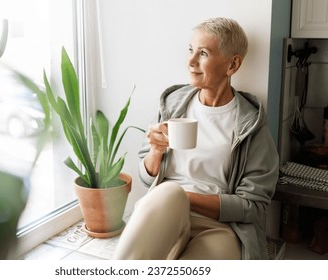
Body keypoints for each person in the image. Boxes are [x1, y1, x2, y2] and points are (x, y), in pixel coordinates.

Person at [113, 17, 279, 260]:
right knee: (167, 195)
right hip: (165, 211)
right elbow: (147, 178)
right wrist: (155, 152)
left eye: (203, 53)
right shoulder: (173, 104)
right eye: (191, 50)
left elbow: (253, 206)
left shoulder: (250, 123)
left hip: (219, 226)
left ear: (232, 65)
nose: (190, 62)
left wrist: (184, 196)